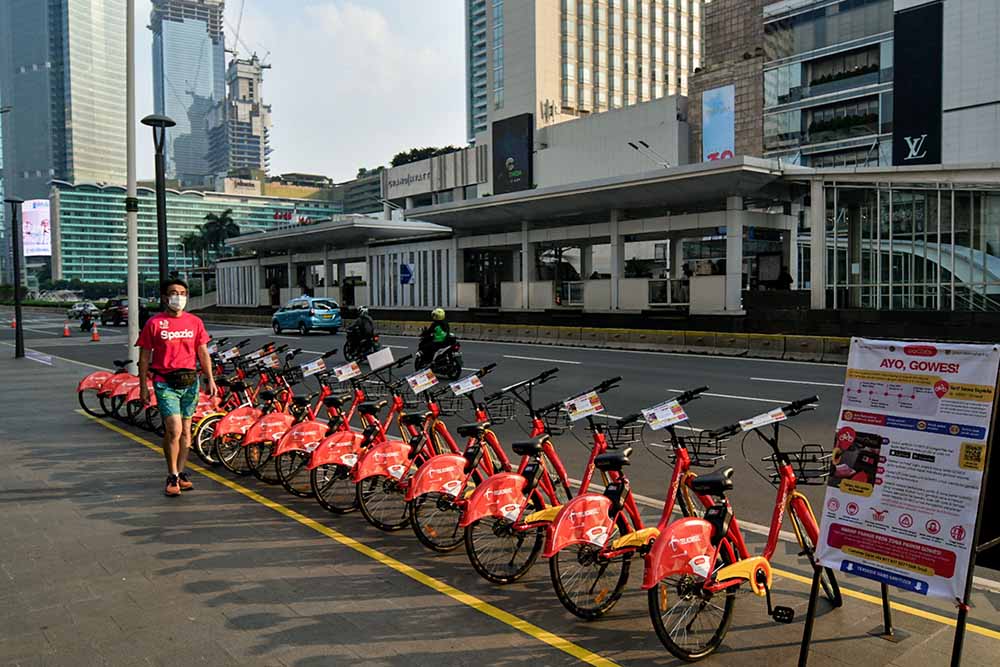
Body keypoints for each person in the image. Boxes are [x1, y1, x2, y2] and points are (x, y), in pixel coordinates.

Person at [137, 279, 217, 497]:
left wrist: (210, 378)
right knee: (174, 428)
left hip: (190, 382)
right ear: (165, 297)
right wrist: (143, 385)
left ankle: (181, 472)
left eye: (182, 293)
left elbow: (202, 352)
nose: (178, 297)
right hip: (164, 382)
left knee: (185, 433)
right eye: (173, 293)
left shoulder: (195, 322)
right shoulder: (154, 323)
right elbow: (144, 357)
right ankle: (171, 474)